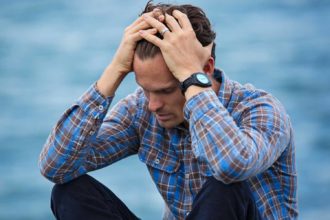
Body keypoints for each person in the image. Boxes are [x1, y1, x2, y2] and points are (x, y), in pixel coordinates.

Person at [39, 1, 298, 220]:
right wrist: (115, 70)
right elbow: (56, 167)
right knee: (68, 191)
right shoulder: (142, 110)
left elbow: (231, 165)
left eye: (165, 91)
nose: (152, 104)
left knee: (225, 187)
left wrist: (190, 77)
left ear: (205, 69)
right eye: (145, 89)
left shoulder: (260, 109)